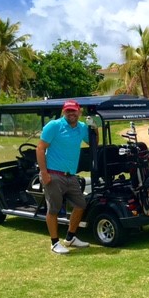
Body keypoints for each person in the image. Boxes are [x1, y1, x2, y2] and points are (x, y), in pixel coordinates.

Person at [36, 99, 94, 254]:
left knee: (81, 204)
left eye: (73, 110)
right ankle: (55, 243)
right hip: (53, 174)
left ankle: (70, 237)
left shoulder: (82, 128)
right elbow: (40, 149)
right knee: (54, 209)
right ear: (63, 112)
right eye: (68, 111)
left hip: (71, 175)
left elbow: (93, 143)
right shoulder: (54, 126)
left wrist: (94, 128)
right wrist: (44, 173)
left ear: (79, 112)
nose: (71, 113)